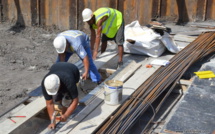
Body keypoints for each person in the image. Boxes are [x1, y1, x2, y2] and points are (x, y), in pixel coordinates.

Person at [41, 62, 80, 129]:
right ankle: (63, 108)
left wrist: (66, 115)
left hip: (73, 70)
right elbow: (49, 103)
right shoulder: (45, 83)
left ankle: (64, 112)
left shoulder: (69, 81)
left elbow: (75, 101)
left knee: (67, 101)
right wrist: (52, 121)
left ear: (59, 85)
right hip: (57, 67)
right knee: (57, 98)